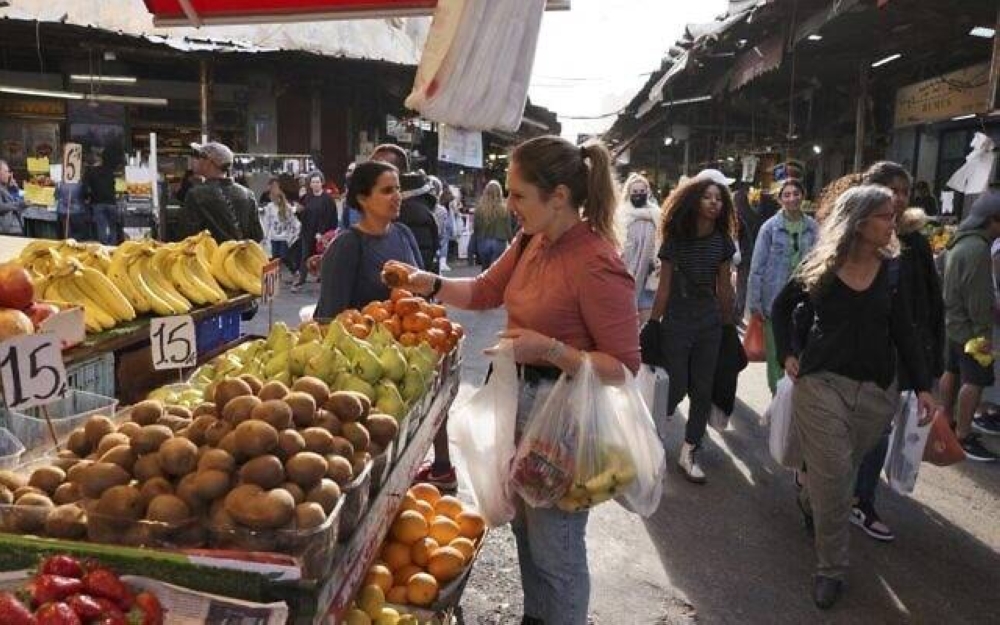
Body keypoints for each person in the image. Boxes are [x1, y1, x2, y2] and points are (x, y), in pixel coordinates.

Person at [386, 136, 638, 625]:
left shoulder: (597, 261)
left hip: (562, 418)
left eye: (519, 195)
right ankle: (537, 617)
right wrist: (426, 282)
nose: (509, 205)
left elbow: (623, 366)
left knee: (557, 548)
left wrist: (546, 348)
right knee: (526, 530)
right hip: (518, 404)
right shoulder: (531, 241)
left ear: (558, 197)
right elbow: (484, 291)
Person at [771, 185, 936, 610]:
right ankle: (831, 569)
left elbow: (904, 330)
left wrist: (922, 386)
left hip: (877, 392)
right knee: (836, 478)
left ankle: (809, 494)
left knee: (835, 476)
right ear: (860, 222)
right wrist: (788, 351)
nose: (891, 223)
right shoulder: (821, 265)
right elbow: (781, 306)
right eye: (884, 215)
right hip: (822, 383)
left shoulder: (893, 270)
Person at [849, 161, 945, 541]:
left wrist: (930, 364)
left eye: (904, 191)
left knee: (879, 429)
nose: (900, 197)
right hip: (854, 351)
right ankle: (825, 484)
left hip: (897, 354)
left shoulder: (916, 243)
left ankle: (861, 499)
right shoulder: (852, 239)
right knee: (848, 426)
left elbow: (930, 306)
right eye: (892, 189)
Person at [649, 171, 737, 483]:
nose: (714, 203)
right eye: (707, 197)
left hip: (710, 323)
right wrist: (651, 324)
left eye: (718, 198)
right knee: (676, 386)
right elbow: (664, 287)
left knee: (702, 389)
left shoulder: (723, 242)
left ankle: (689, 450)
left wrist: (728, 328)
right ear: (694, 200)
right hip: (677, 320)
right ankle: (651, 431)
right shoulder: (675, 241)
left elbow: (724, 288)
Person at [313, 161, 421, 319]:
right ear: (363, 198)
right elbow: (330, 317)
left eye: (398, 189)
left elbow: (422, 290)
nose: (398, 196)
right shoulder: (346, 245)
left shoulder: (403, 233)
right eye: (387, 191)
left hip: (409, 339)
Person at [940, 190, 1000, 461]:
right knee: (974, 380)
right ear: (992, 221)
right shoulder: (978, 249)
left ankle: (947, 421)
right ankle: (963, 436)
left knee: (951, 371)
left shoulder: (958, 241)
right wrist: (983, 334)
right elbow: (979, 296)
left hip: (952, 321)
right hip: (970, 329)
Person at [747, 179, 819, 394]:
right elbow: (757, 266)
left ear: (803, 195)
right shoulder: (769, 228)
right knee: (777, 353)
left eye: (796, 193)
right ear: (780, 200)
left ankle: (793, 402)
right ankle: (776, 398)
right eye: (786, 195)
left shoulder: (813, 227)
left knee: (800, 353)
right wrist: (755, 303)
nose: (792, 198)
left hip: (805, 301)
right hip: (774, 301)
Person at [175, 142, 263, 243]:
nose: (197, 160)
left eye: (200, 157)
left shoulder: (196, 195)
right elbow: (257, 235)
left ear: (209, 162)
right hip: (242, 257)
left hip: (209, 257)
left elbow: (187, 235)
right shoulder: (248, 194)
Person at [371, 144, 440, 272]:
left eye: (377, 168)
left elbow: (416, 270)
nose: (369, 175)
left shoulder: (414, 213)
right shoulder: (381, 207)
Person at [619, 173, 660, 321]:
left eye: (642, 192)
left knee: (646, 318)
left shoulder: (656, 214)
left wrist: (656, 261)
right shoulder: (622, 215)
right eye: (635, 192)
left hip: (649, 273)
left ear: (647, 192)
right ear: (629, 193)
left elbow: (660, 239)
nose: (638, 195)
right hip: (626, 273)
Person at [293, 171, 339, 292]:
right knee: (305, 256)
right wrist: (298, 212)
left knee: (323, 258)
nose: (316, 184)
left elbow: (331, 217)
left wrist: (323, 233)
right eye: (313, 182)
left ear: (322, 183)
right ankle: (301, 280)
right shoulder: (306, 198)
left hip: (322, 234)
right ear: (310, 184)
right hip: (307, 232)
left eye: (318, 182)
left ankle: (324, 281)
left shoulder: (328, 199)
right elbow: (301, 215)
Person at [471, 180, 513, 270]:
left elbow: (475, 227)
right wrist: (511, 242)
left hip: (483, 241)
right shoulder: (504, 208)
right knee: (495, 270)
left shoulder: (479, 209)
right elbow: (508, 228)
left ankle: (483, 284)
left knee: (485, 270)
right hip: (499, 241)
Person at [82, 149, 120, 245]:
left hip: (98, 202)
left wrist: (87, 198)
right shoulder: (109, 171)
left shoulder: (89, 172)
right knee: (112, 226)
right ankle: (113, 246)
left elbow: (85, 188)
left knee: (101, 226)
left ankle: (104, 247)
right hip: (111, 202)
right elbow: (113, 184)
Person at [262, 182, 301, 265]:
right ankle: (276, 274)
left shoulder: (287, 207)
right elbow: (267, 222)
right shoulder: (269, 207)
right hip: (274, 237)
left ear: (280, 198)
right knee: (275, 257)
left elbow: (293, 221)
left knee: (284, 256)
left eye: (276, 198)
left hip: (284, 237)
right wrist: (265, 236)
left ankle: (293, 270)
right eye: (273, 198)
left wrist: (295, 233)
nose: (274, 200)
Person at [0, 160, 25, 236]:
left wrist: (15, 190)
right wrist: (18, 205)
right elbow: (1, 207)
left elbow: (18, 200)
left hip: (16, 228)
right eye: (6, 172)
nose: (9, 175)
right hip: (7, 230)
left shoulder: (5, 187)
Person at [438, 185, 457, 270]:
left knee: (442, 242)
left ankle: (441, 262)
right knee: (445, 242)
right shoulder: (449, 198)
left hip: (442, 220)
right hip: (447, 219)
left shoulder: (440, 198)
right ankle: (443, 262)